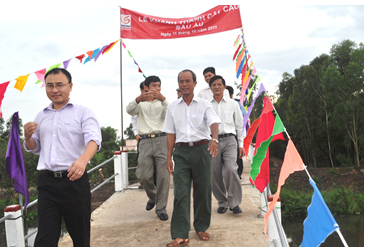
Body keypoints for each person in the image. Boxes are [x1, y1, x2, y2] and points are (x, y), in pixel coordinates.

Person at [23, 68, 102, 247]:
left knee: (80, 237)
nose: (54, 90)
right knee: (44, 239)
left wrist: (82, 161)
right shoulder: (41, 115)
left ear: (70, 86)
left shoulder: (83, 112)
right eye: (50, 85)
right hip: (47, 184)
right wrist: (27, 138)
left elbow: (94, 140)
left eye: (60, 85)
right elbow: (34, 148)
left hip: (74, 180)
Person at [163, 69, 221, 246]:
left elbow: (213, 123)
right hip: (180, 153)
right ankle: (180, 233)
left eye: (188, 81)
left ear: (195, 84)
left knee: (203, 191)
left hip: (201, 150)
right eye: (181, 81)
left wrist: (215, 140)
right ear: (178, 84)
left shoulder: (204, 104)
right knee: (180, 193)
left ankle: (201, 226)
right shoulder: (172, 106)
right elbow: (170, 134)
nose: (184, 84)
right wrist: (169, 158)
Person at [126, 75, 170, 221]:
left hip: (162, 139)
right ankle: (153, 197)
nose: (157, 88)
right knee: (143, 176)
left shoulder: (163, 103)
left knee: (163, 176)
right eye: (154, 85)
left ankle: (161, 208)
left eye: (159, 85)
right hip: (144, 141)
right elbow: (129, 110)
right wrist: (139, 98)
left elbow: (173, 113)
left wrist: (163, 98)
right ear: (147, 87)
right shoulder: (140, 103)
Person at [209, 76, 245, 214]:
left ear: (224, 87)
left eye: (219, 84)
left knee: (231, 169)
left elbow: (240, 125)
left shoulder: (233, 104)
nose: (217, 87)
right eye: (214, 85)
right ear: (210, 87)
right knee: (215, 173)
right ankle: (222, 202)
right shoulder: (207, 105)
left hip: (230, 140)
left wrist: (240, 144)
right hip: (213, 141)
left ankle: (234, 202)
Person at [226, 85, 247, 178]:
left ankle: (238, 173)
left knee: (238, 154)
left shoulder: (236, 104)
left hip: (235, 132)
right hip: (227, 133)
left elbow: (242, 117)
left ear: (231, 95)